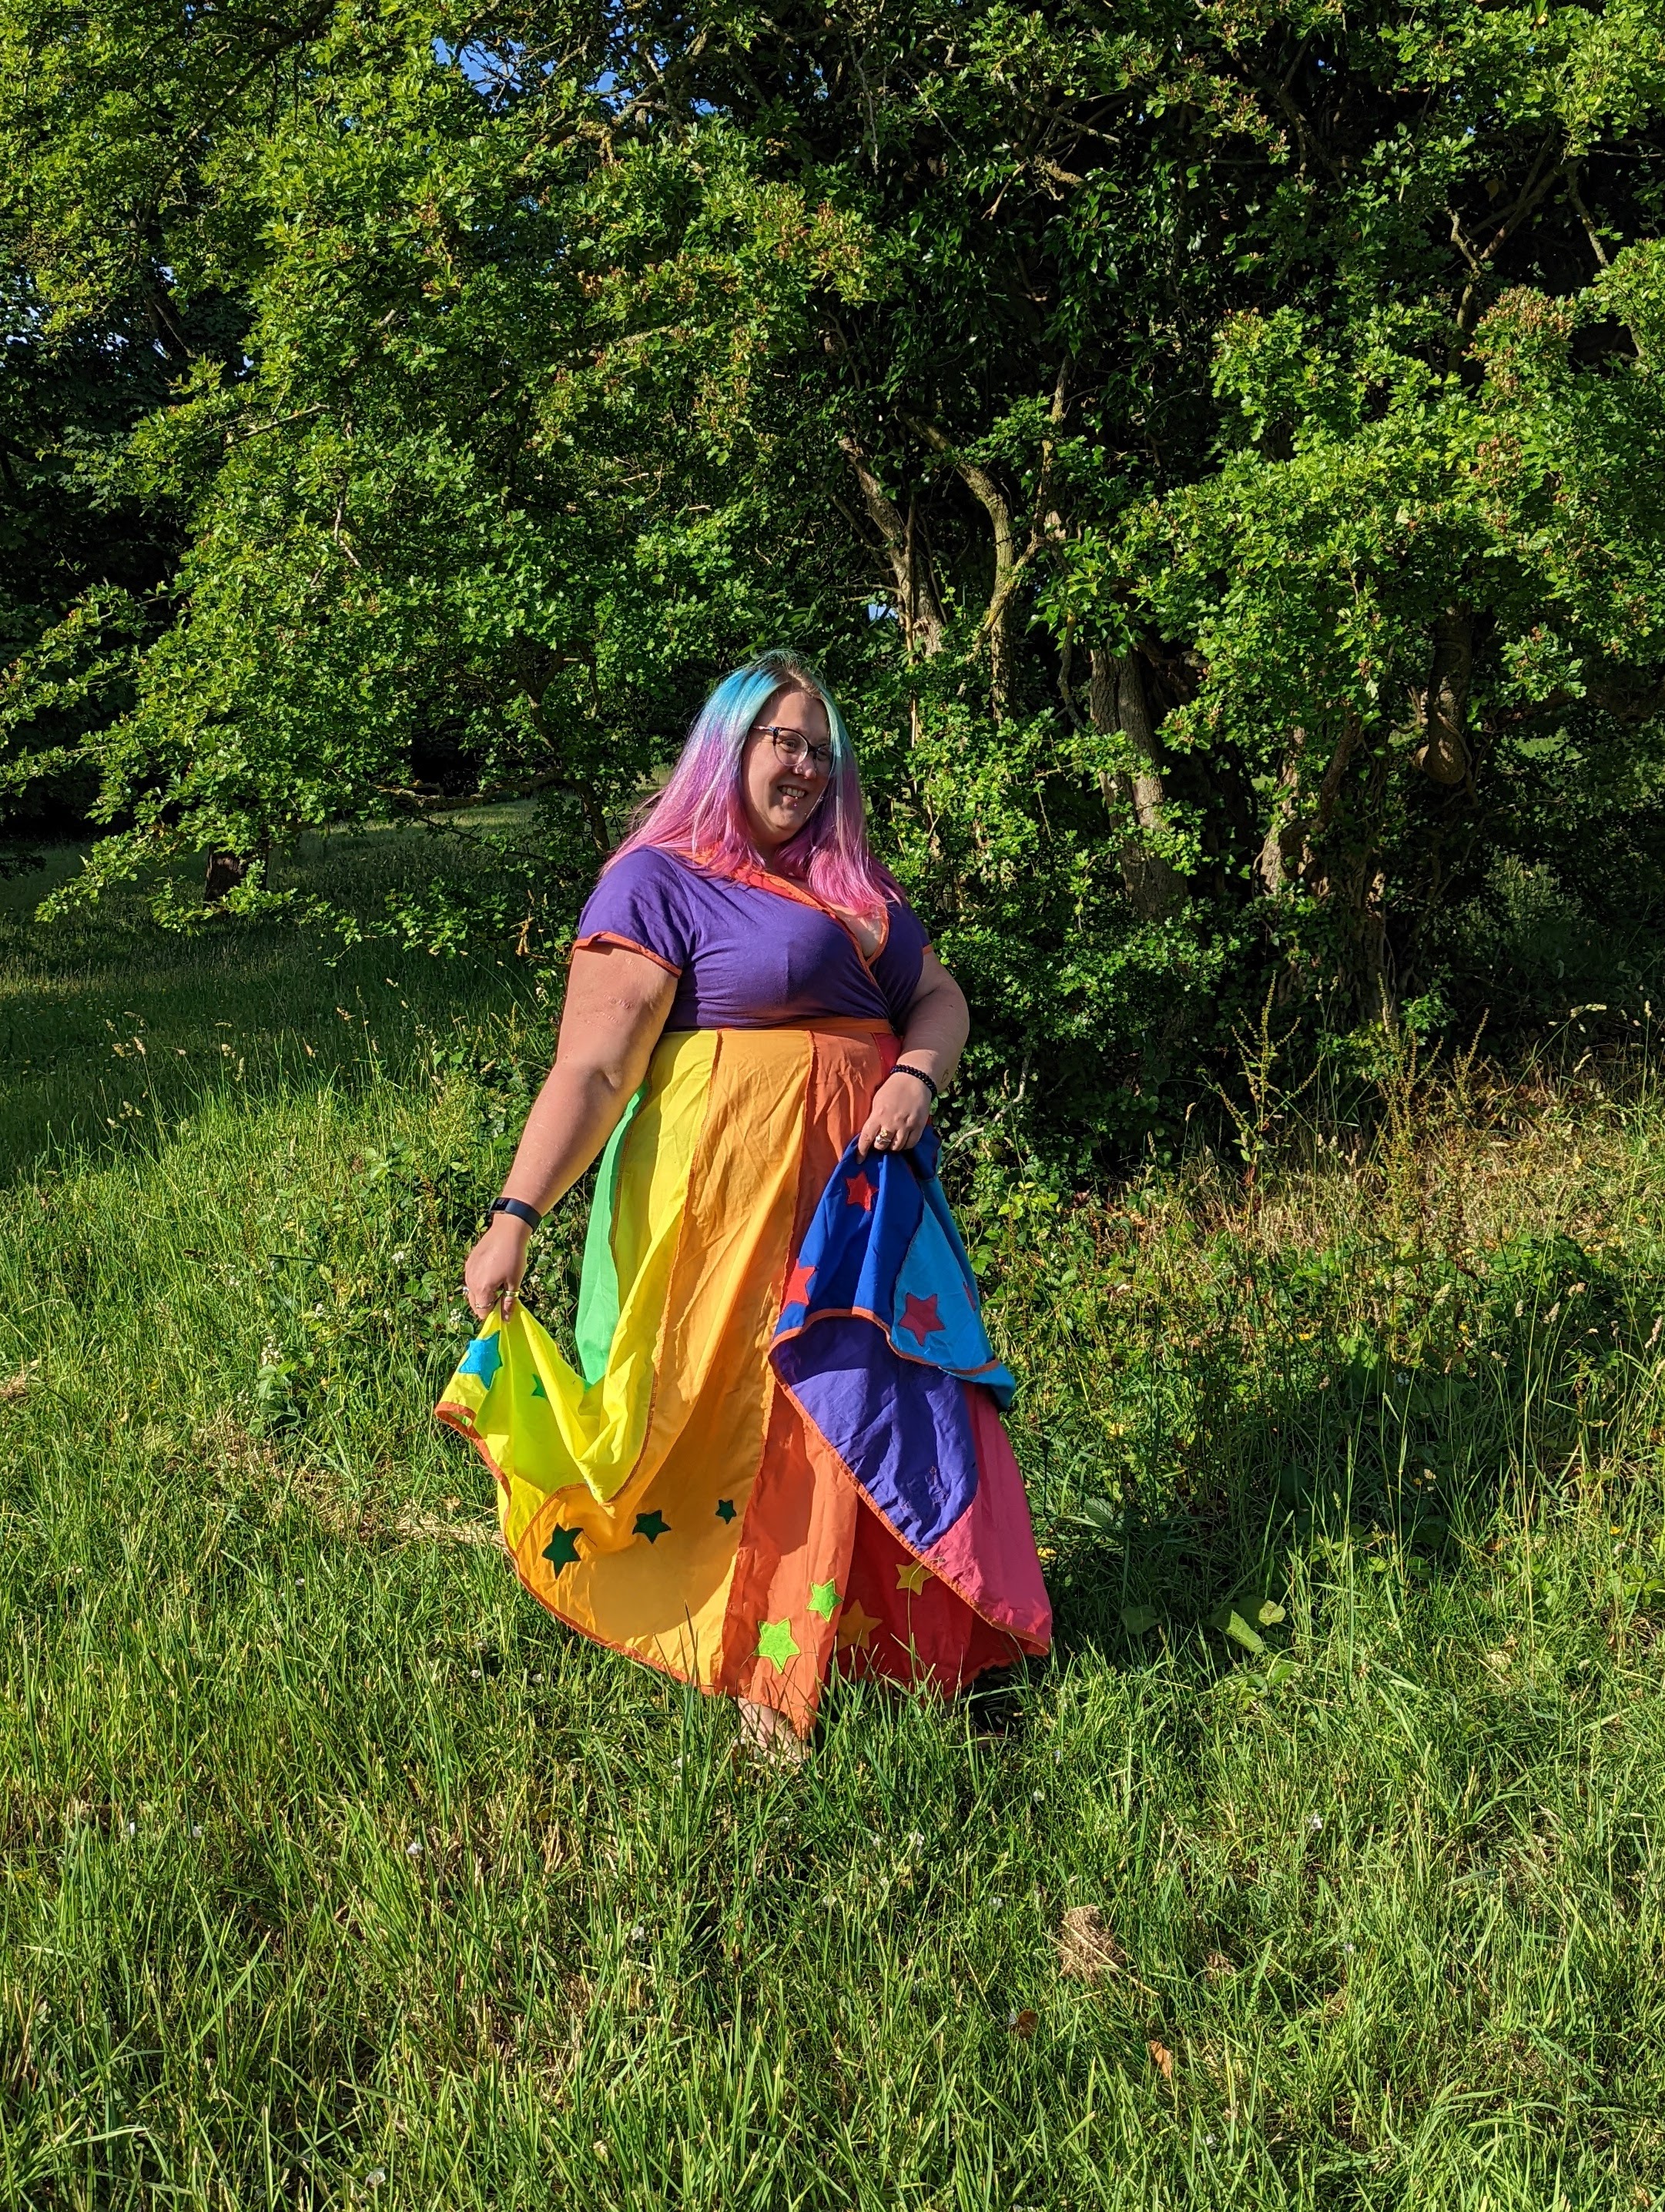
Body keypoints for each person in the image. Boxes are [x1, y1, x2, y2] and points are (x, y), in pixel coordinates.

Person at [437, 650, 1050, 1759]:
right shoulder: (658, 878)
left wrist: (914, 1074)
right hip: (732, 1209)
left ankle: (901, 1651)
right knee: (767, 1423)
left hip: (869, 1206)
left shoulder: (853, 888)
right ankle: (773, 1679)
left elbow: (938, 997)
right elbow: (591, 1070)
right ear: (728, 747)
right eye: (785, 740)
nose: (808, 765)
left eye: (823, 748)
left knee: (891, 1401)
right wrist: (513, 1213)